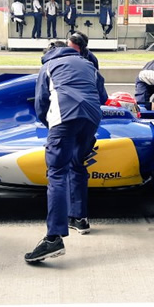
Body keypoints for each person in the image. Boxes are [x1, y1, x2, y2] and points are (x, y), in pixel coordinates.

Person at [25, 42, 108, 263]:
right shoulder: (88, 64)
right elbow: (103, 97)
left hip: (64, 117)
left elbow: (41, 104)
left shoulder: (49, 66)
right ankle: (80, 217)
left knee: (57, 174)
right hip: (92, 118)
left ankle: (53, 238)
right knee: (77, 163)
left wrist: (51, 126)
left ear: (48, 54)